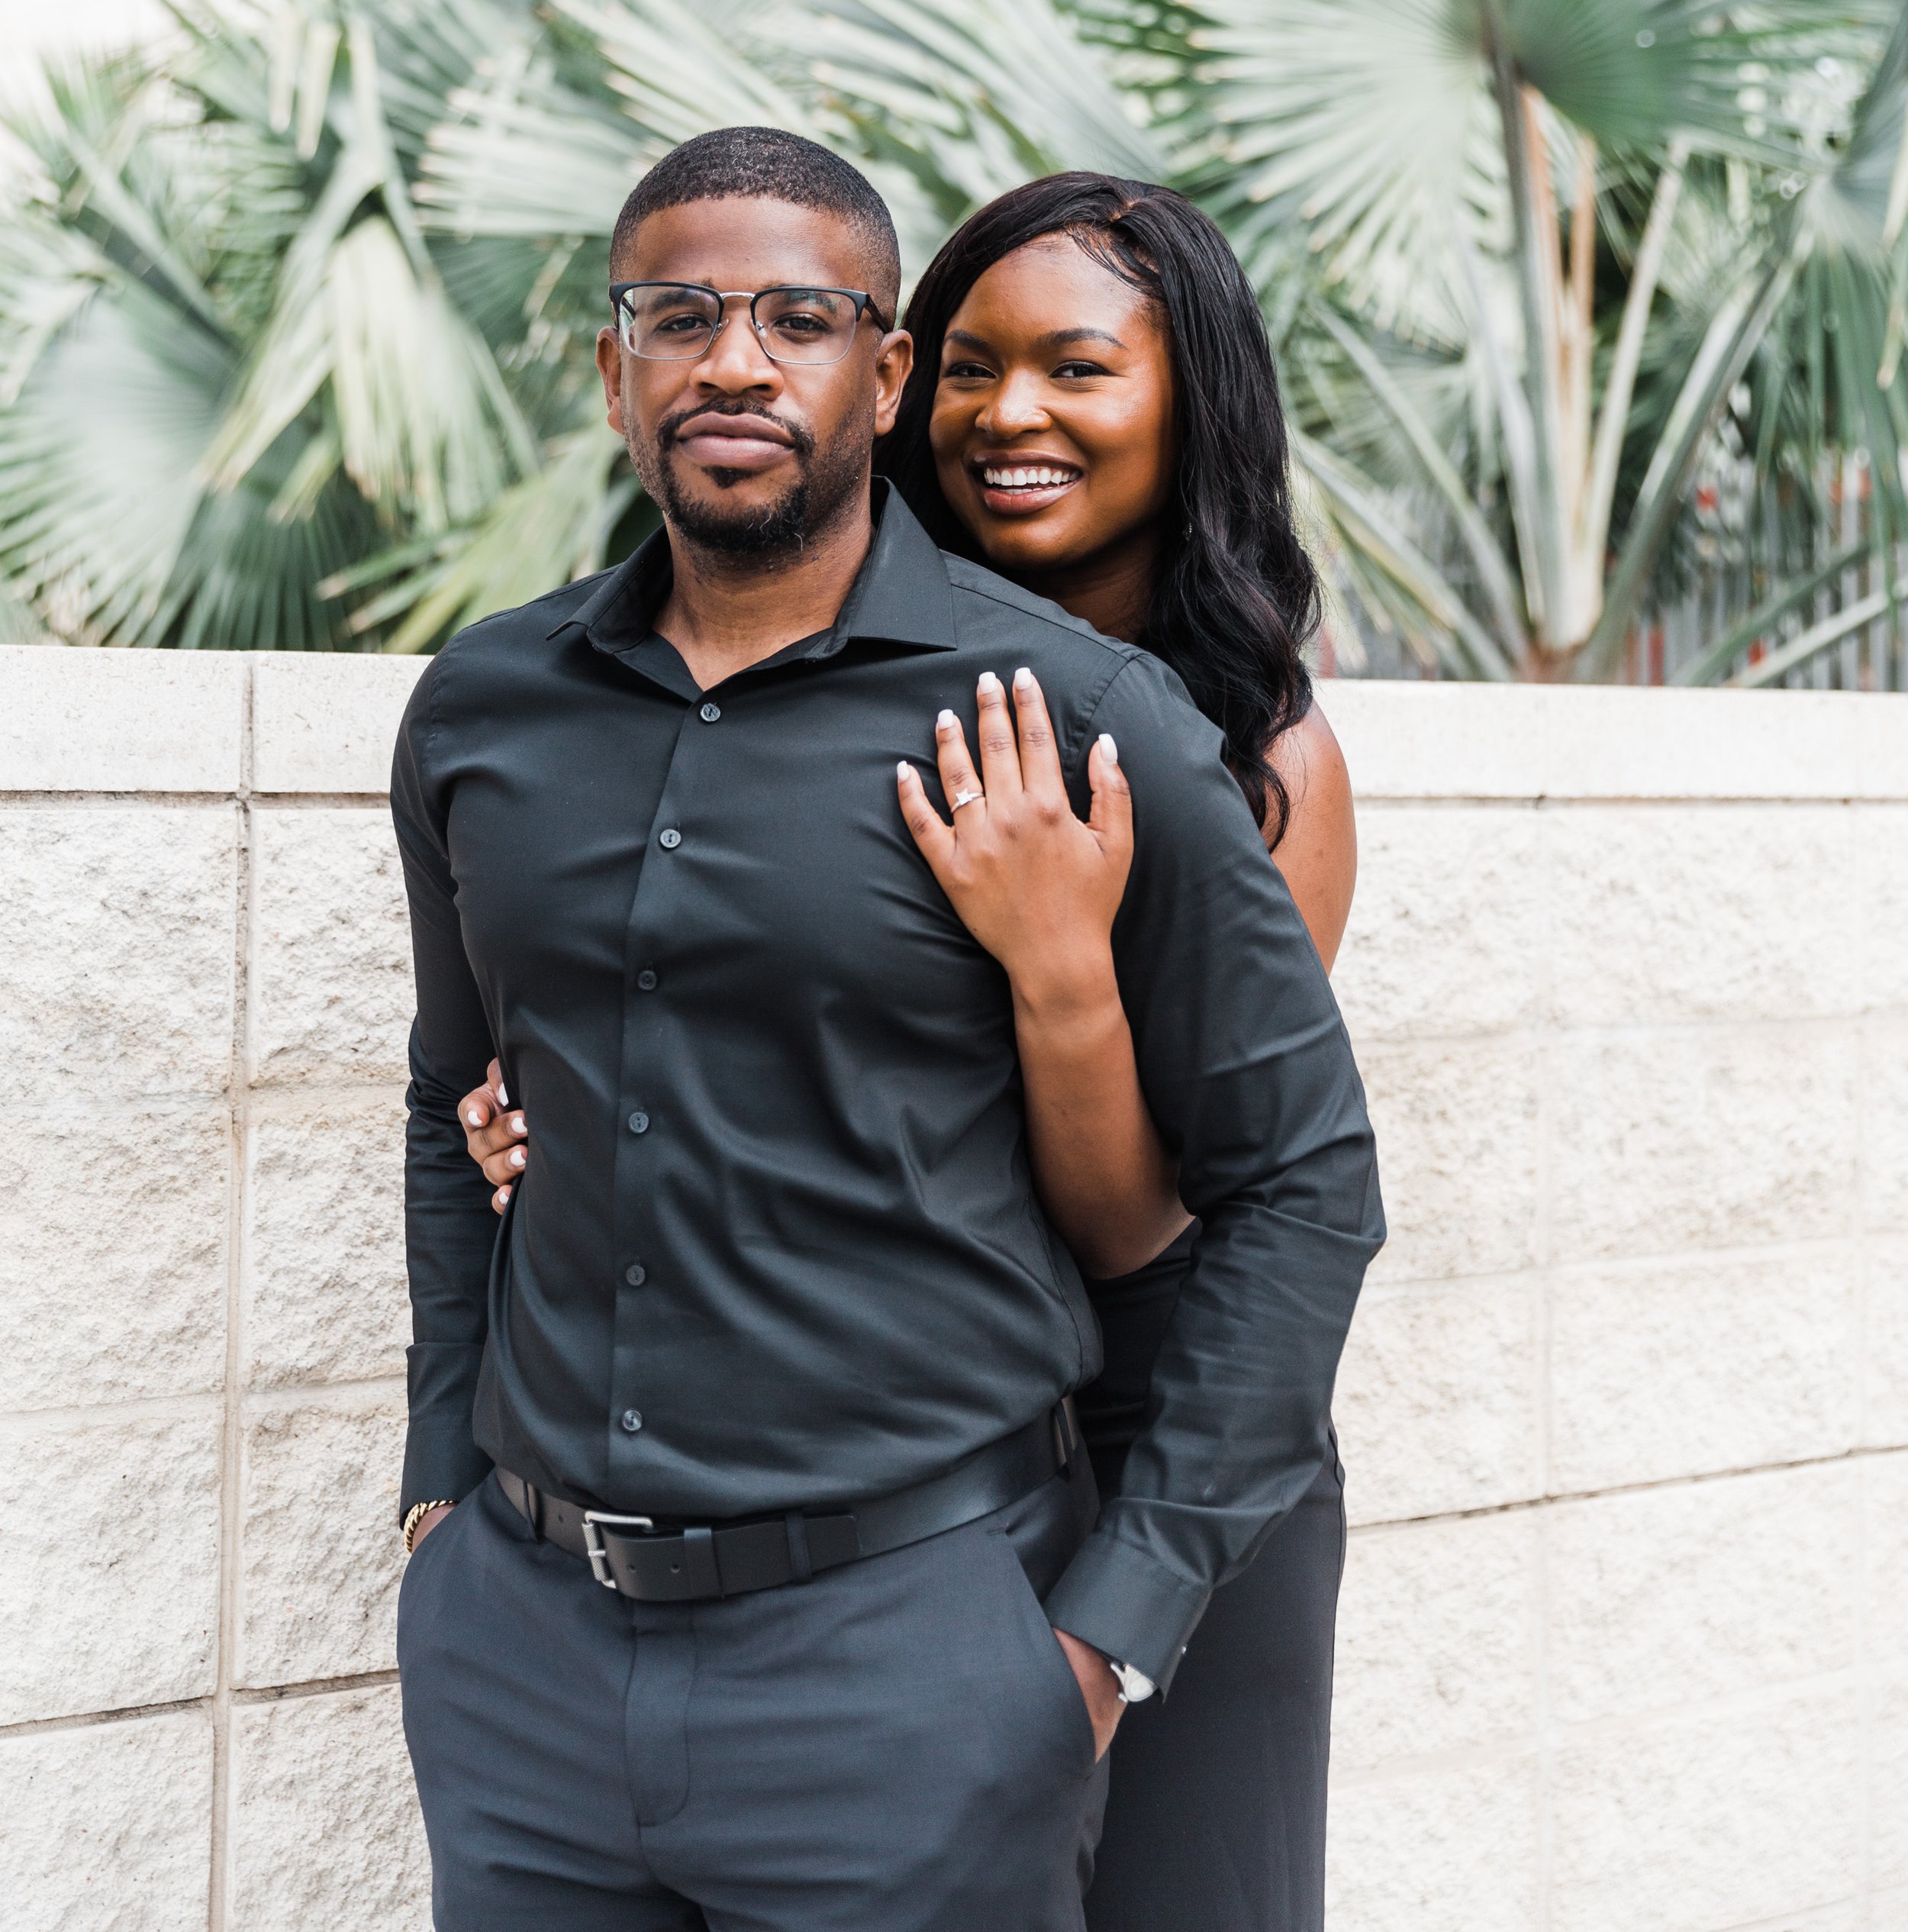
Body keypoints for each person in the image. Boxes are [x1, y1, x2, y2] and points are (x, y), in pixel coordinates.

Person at [456, 165, 1368, 1932]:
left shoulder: (1245, 755)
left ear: (1188, 407)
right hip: (914, 1447)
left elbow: (1148, 1223)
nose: (1006, 412)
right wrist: (572, 1107)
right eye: (967, 364)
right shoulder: (813, 669)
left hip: (1155, 1402)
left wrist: (1054, 959)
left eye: (1078, 369)